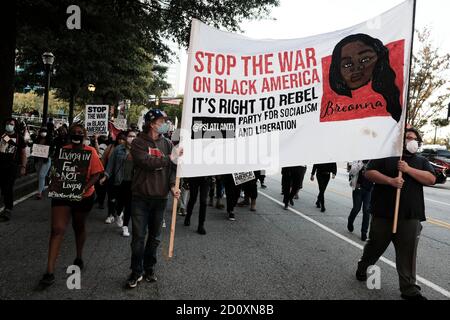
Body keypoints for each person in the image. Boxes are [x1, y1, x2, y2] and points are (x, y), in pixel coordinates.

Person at [355, 128, 435, 300]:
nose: (410, 140)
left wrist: (407, 170)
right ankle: (363, 267)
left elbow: (431, 179)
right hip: (383, 213)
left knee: (408, 253)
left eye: (413, 138)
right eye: (407, 138)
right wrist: (390, 181)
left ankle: (409, 289)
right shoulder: (385, 155)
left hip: (410, 216)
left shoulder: (421, 161)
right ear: (399, 139)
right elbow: (369, 172)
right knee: (375, 245)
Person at [39, 124, 104, 287]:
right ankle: (49, 271)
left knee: (78, 226)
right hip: (63, 195)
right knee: (57, 229)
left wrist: (85, 187)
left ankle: (79, 256)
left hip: (83, 196)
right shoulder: (62, 151)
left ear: (85, 136)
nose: (77, 135)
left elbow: (97, 174)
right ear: (69, 135)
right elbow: (56, 172)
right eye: (74, 133)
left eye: (80, 133)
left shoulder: (91, 152)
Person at [126, 109, 181, 288]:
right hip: (140, 198)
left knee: (155, 238)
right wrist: (169, 158)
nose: (165, 123)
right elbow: (147, 162)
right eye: (162, 121)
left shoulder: (167, 143)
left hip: (160, 199)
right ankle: (136, 271)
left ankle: (149, 268)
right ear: (152, 123)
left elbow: (172, 169)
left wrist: (173, 186)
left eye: (166, 121)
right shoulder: (138, 143)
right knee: (138, 238)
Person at [329, 33, 402, 122]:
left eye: (365, 60)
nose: (356, 68)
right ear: (337, 70)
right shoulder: (333, 109)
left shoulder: (393, 100)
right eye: (347, 64)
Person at [104, 130, 137, 237]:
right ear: (126, 137)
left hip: (132, 182)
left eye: (134, 136)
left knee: (129, 205)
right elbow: (111, 164)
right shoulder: (118, 149)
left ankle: (125, 227)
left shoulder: (138, 150)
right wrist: (106, 175)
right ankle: (118, 214)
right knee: (120, 203)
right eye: (130, 136)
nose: (132, 138)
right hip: (119, 180)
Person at [0, 118, 27, 222]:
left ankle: (8, 209)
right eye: (7, 124)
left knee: (8, 187)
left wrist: (23, 167)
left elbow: (23, 154)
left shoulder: (19, 138)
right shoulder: (2, 136)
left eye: (11, 124)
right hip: (0, 165)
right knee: (3, 188)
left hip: (11, 167)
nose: (9, 125)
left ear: (15, 126)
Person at [347, 160, 374, 241]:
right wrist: (361, 164)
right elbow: (352, 172)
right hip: (358, 189)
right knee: (356, 208)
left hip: (369, 190)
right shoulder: (358, 161)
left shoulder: (373, 162)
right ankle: (350, 221)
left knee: (366, 211)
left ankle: (364, 232)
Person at [33, 127, 54, 200]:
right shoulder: (36, 139)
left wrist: (48, 154)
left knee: (42, 175)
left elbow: (52, 151)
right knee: (40, 176)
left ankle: (39, 193)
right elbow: (33, 147)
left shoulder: (50, 140)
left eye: (45, 131)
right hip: (38, 160)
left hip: (46, 160)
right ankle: (44, 186)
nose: (43, 133)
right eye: (42, 131)